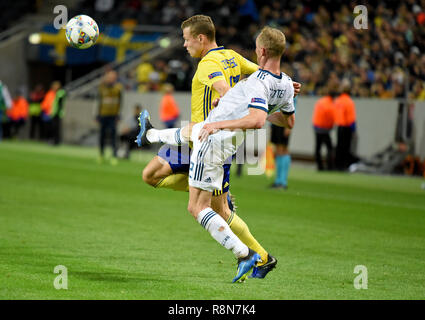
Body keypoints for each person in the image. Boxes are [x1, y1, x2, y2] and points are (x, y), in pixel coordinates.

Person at [139, 15, 300, 278]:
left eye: (186, 39)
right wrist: (285, 87)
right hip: (216, 141)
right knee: (154, 176)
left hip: (208, 139)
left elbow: (228, 91)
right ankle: (152, 135)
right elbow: (260, 75)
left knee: (206, 206)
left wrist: (223, 108)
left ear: (201, 38)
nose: (184, 45)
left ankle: (254, 256)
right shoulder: (233, 57)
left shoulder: (208, 63)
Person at [97, 70, 122, 165]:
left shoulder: (118, 88)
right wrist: (97, 115)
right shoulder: (102, 88)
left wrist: (118, 115)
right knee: (102, 136)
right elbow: (99, 102)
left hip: (113, 116)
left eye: (113, 77)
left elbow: (120, 102)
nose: (111, 79)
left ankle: (114, 156)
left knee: (113, 136)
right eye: (109, 77)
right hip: (103, 115)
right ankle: (101, 155)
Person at [334, 83, 357, 171]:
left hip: (339, 127)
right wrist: (353, 129)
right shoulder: (349, 101)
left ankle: (337, 165)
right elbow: (351, 118)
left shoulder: (338, 100)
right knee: (346, 147)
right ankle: (344, 165)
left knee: (339, 146)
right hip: (347, 127)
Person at [312, 88, 336, 171]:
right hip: (325, 129)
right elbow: (331, 118)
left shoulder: (321, 101)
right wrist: (331, 126)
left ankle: (320, 166)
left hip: (317, 127)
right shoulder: (331, 104)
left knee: (318, 148)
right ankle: (330, 166)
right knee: (329, 148)